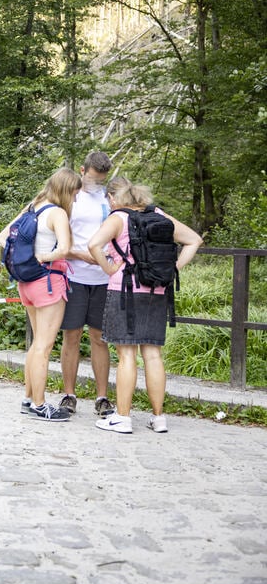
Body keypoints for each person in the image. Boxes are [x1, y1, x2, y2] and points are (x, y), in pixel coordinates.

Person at [87, 177, 203, 434]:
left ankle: (123, 417)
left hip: (125, 291)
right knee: (152, 354)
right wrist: (172, 268)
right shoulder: (159, 215)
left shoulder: (118, 218)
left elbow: (93, 245)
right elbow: (194, 240)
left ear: (114, 199)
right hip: (157, 290)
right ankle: (158, 417)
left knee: (126, 355)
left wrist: (109, 268)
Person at [0, 168, 81, 421]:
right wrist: (44, 256)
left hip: (27, 283)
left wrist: (29, 259)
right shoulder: (57, 213)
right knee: (44, 347)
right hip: (48, 282)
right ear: (66, 190)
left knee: (36, 345)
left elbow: (2, 237)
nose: (75, 200)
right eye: (75, 194)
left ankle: (29, 398)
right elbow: (65, 249)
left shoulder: (33, 206)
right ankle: (41, 404)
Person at [59, 151, 116, 418]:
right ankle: (69, 395)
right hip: (74, 275)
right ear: (82, 171)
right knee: (71, 336)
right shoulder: (70, 197)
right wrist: (80, 255)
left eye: (101, 180)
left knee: (99, 338)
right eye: (93, 179)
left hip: (104, 277)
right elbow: (59, 241)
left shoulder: (110, 198)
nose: (96, 185)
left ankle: (102, 397)